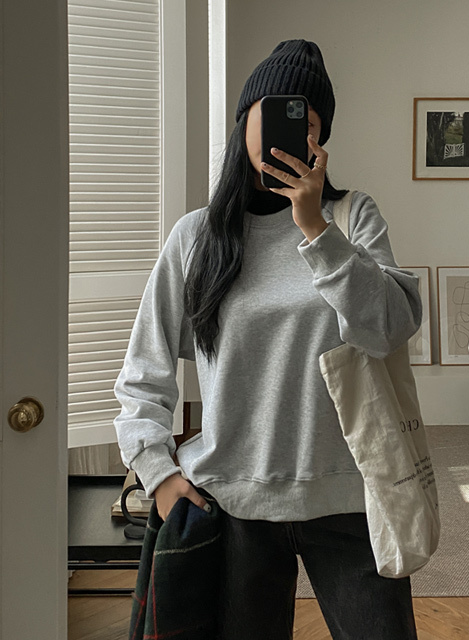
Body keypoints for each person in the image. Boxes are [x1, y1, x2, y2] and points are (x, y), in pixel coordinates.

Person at [114, 38, 422, 640]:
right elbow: (142, 374)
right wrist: (158, 474)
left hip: (349, 495)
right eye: (277, 112)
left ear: (321, 140)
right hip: (232, 506)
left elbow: (389, 329)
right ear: (245, 120)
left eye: (308, 123)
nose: (292, 131)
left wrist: (316, 230)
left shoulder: (352, 217)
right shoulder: (196, 237)